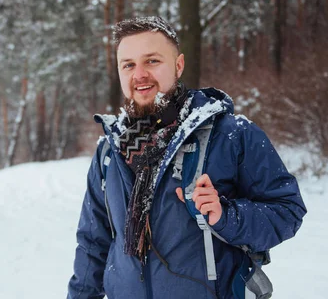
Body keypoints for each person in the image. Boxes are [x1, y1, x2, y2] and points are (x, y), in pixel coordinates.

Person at [67, 16, 306, 299]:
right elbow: (93, 244)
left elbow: (287, 211)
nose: (139, 74)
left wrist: (226, 216)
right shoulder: (110, 150)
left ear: (178, 65)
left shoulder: (232, 135)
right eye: (128, 64)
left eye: (152, 61)